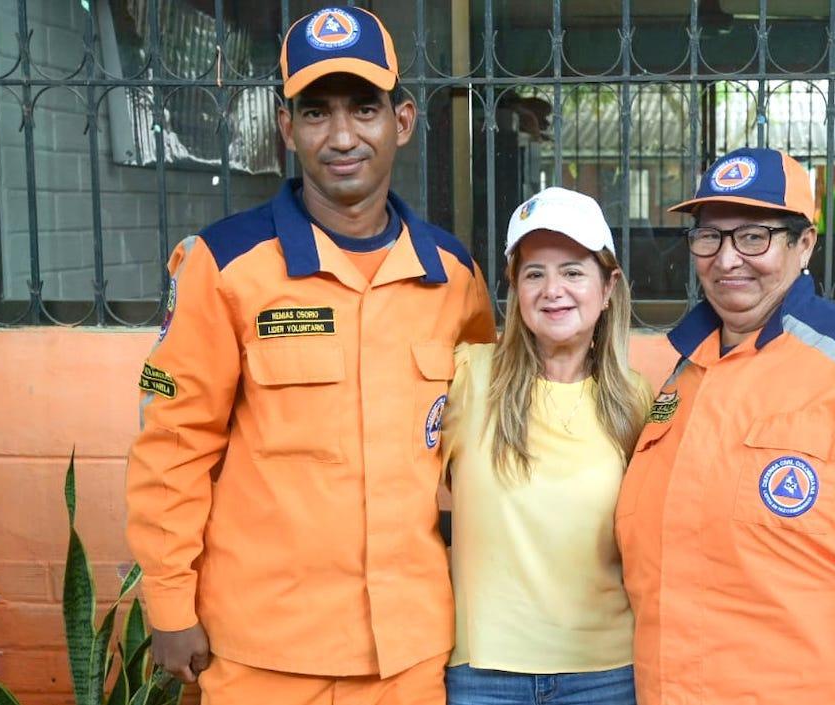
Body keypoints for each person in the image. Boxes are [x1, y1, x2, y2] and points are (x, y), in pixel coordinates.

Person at [125, 7, 496, 704]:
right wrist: (171, 605)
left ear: (403, 122)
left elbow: (483, 442)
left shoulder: (452, 276)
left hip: (411, 653)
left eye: (365, 108)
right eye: (317, 113)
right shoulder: (225, 265)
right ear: (288, 129)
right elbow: (173, 447)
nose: (344, 135)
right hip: (263, 653)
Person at [614, 147, 835, 705]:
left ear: (803, 244)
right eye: (709, 236)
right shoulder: (686, 372)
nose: (727, 258)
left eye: (753, 236)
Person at [441, 187, 652, 705]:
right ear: (514, 287)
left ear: (608, 287)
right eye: (534, 272)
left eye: (573, 271)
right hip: (484, 674)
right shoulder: (469, 376)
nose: (552, 289)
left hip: (607, 673)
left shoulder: (638, 401)